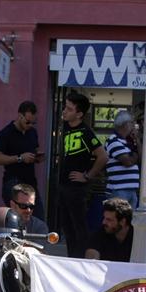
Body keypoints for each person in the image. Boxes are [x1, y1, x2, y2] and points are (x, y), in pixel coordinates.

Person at [58, 92, 107, 258]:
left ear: (79, 114)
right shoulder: (66, 127)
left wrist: (87, 176)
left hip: (77, 188)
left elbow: (103, 156)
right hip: (64, 185)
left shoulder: (85, 131)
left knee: (79, 227)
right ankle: (72, 259)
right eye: (65, 107)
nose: (64, 111)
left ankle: (81, 261)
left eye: (69, 109)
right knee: (67, 228)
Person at [0, 100, 45, 218]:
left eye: (33, 123)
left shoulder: (32, 132)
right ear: (20, 116)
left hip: (30, 183)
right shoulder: (6, 133)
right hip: (13, 182)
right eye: (28, 122)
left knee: (38, 219)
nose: (30, 125)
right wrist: (20, 158)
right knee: (18, 219)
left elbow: (34, 150)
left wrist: (37, 157)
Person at [104, 110, 140, 208]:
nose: (134, 126)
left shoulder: (128, 142)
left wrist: (137, 140)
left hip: (131, 190)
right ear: (125, 124)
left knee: (129, 218)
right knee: (117, 217)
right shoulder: (113, 140)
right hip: (118, 190)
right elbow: (128, 161)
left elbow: (140, 158)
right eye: (132, 122)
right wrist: (135, 154)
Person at [85, 197, 134, 262]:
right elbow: (91, 262)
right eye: (104, 218)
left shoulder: (137, 237)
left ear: (122, 221)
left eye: (109, 220)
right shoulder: (99, 234)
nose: (104, 222)